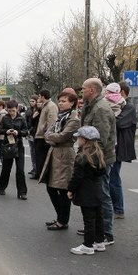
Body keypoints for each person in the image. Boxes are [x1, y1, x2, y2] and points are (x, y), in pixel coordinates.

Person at [80, 78, 117, 246]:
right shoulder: (90, 106)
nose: (81, 91)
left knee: (102, 195)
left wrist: (92, 159)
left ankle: (106, 232)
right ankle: (95, 228)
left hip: (100, 159)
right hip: (91, 156)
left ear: (92, 90)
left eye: (83, 88)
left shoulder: (101, 109)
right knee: (94, 194)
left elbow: (99, 138)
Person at [40, 90, 81, 230]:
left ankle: (63, 220)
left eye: (64, 101)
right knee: (50, 186)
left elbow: (63, 136)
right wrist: (52, 136)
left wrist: (52, 136)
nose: (60, 103)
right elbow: (47, 133)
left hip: (65, 155)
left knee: (63, 189)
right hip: (55, 153)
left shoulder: (74, 119)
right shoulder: (60, 117)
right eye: (60, 100)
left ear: (72, 103)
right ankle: (60, 217)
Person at [68, 126, 108, 255]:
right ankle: (99, 241)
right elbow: (102, 172)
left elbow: (77, 177)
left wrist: (71, 190)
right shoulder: (98, 153)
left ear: (84, 140)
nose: (77, 140)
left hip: (86, 192)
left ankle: (88, 245)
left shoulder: (82, 156)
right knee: (98, 217)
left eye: (79, 137)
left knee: (89, 220)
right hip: (97, 190)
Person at [110, 82, 137, 219]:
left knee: (113, 178)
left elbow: (118, 122)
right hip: (112, 146)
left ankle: (118, 209)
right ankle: (112, 207)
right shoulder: (116, 106)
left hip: (118, 148)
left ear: (122, 93)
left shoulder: (129, 107)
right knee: (109, 178)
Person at [0, 99, 28, 199]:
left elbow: (26, 131)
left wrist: (17, 132)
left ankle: (22, 192)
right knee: (6, 168)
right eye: (9, 110)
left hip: (18, 146)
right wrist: (6, 131)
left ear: (17, 109)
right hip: (8, 145)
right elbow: (0, 130)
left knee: (20, 170)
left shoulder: (21, 119)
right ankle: (2, 187)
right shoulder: (5, 118)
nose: (11, 113)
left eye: (13, 110)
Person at [32, 90, 57, 180]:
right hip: (39, 135)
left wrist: (47, 133)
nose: (38, 98)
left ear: (42, 96)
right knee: (38, 157)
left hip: (44, 137)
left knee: (43, 157)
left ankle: (44, 176)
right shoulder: (44, 106)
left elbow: (52, 121)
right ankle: (40, 174)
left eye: (39, 96)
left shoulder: (51, 106)